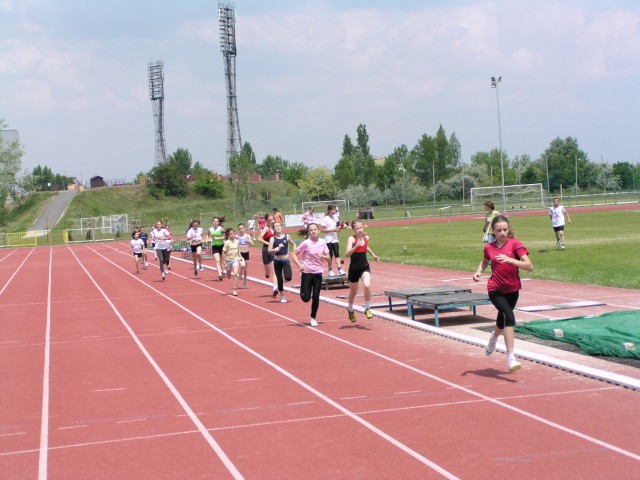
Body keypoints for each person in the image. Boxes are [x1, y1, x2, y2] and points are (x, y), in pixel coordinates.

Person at [473, 215, 534, 372]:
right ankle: (511, 358)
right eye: (498, 230)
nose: (502, 233)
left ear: (509, 229)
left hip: (513, 289)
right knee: (510, 317)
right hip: (495, 289)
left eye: (505, 230)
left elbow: (529, 266)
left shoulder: (515, 245)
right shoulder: (489, 247)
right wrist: (479, 271)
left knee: (503, 318)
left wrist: (511, 260)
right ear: (493, 231)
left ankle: (494, 337)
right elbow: (485, 260)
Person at [293, 223, 329, 327]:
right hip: (307, 273)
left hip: (318, 273)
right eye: (311, 230)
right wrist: (299, 265)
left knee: (316, 297)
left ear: (318, 230)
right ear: (308, 232)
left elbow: (329, 257)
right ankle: (304, 291)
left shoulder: (323, 242)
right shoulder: (306, 243)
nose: (313, 231)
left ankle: (313, 317)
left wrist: (322, 255)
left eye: (315, 229)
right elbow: (293, 254)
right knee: (306, 298)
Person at [345, 219, 379, 322]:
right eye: (357, 228)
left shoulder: (365, 237)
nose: (360, 230)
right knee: (353, 292)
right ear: (353, 229)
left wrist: (373, 255)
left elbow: (366, 246)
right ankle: (350, 310)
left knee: (367, 285)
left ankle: (367, 308)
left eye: (361, 228)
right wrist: (355, 246)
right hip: (354, 269)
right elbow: (347, 254)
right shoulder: (351, 239)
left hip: (364, 267)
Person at [268, 221, 296, 303]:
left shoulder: (287, 236)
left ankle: (285, 275)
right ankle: (282, 296)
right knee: (279, 280)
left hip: (285, 260)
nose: (278, 227)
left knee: (288, 277)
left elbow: (293, 244)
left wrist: (294, 251)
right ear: (274, 229)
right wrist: (277, 249)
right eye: (276, 226)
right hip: (277, 261)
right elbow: (269, 250)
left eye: (279, 226)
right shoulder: (272, 238)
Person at [321, 204, 345, 276]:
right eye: (333, 210)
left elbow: (338, 226)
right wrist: (332, 230)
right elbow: (323, 230)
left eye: (335, 210)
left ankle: (340, 269)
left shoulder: (335, 218)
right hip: (328, 239)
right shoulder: (325, 219)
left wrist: (338, 228)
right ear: (329, 210)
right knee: (330, 255)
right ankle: (330, 270)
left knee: (337, 254)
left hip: (335, 239)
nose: (334, 212)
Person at [257, 213, 279, 295]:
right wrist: (268, 243)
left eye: (272, 219)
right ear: (266, 221)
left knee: (275, 269)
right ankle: (266, 273)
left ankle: (275, 288)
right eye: (270, 220)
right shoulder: (266, 228)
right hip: (266, 250)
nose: (272, 221)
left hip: (274, 250)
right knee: (267, 270)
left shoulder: (276, 227)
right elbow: (259, 238)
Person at [222, 228, 244, 296]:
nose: (232, 235)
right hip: (228, 260)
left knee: (235, 274)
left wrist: (240, 256)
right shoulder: (226, 243)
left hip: (235, 260)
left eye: (233, 233)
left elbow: (238, 250)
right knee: (228, 276)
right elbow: (223, 252)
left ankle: (234, 289)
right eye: (230, 234)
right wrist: (225, 262)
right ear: (228, 235)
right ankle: (228, 272)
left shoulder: (237, 241)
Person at [209, 216, 226, 281]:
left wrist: (218, 238)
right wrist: (209, 239)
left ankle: (223, 270)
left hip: (221, 245)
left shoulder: (221, 229)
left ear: (218, 222)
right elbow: (207, 235)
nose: (215, 222)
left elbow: (224, 237)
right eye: (214, 221)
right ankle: (219, 274)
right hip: (214, 246)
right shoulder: (210, 229)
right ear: (213, 222)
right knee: (217, 260)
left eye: (216, 221)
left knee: (222, 261)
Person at [236, 223, 253, 288]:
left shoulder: (247, 236)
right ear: (238, 229)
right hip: (240, 253)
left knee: (245, 269)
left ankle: (245, 282)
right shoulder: (237, 237)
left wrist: (248, 241)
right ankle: (240, 273)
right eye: (239, 229)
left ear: (244, 229)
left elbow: (252, 243)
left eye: (242, 228)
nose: (241, 230)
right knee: (242, 265)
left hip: (246, 253)